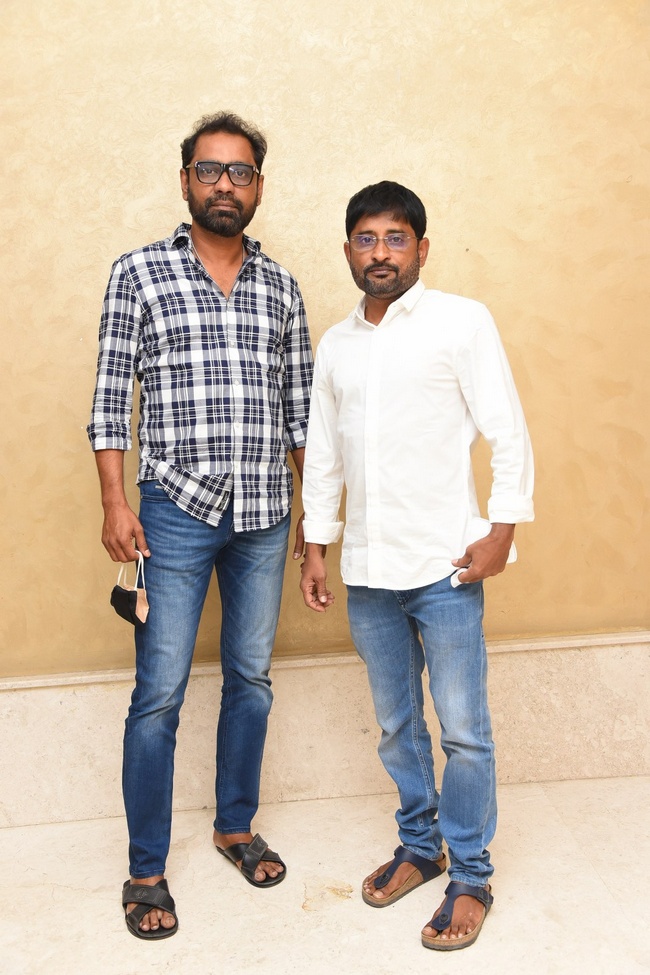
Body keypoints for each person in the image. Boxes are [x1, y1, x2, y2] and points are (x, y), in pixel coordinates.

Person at [88, 112, 313, 939]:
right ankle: (146, 869)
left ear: (259, 186)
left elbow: (300, 414)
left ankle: (234, 826)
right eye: (211, 170)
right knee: (159, 694)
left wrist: (312, 521)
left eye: (240, 172)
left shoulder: (282, 287)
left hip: (263, 514)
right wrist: (115, 502)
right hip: (172, 513)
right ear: (185, 179)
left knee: (251, 678)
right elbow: (110, 396)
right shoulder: (138, 273)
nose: (226, 184)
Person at [300, 181, 533, 951]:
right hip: (369, 572)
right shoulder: (336, 346)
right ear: (348, 250)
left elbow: (507, 430)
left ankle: (471, 874)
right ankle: (420, 844)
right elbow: (325, 455)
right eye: (367, 239)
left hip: (446, 565)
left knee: (463, 730)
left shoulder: (462, 322)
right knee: (398, 723)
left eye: (396, 238)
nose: (381, 253)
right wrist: (317, 545)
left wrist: (501, 530)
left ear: (422, 249)